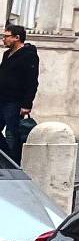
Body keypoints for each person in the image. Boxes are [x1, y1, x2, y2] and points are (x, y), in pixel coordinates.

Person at [0, 24, 39, 162]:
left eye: (6, 36)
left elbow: (32, 81)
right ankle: (7, 158)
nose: (3, 39)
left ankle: (14, 162)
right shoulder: (6, 54)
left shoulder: (29, 55)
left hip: (15, 102)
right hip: (2, 99)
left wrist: (27, 104)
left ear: (17, 37)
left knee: (14, 134)